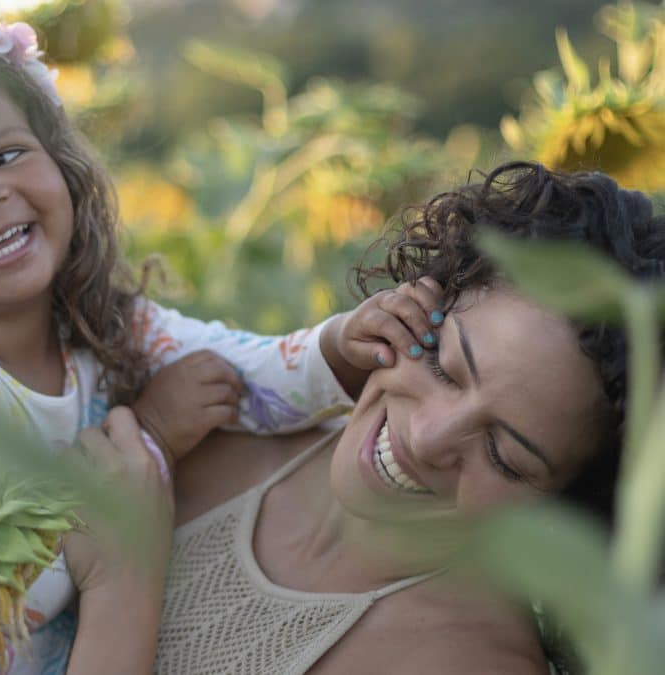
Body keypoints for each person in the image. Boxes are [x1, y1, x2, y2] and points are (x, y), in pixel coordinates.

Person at [0, 10, 441, 674]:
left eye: (5, 154)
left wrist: (344, 344)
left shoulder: (93, 318)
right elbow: (19, 581)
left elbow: (236, 368)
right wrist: (152, 435)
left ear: (62, 169)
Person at [69, 161, 665, 674]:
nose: (427, 437)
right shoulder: (209, 425)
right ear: (421, 297)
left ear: (570, 506)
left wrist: (121, 582)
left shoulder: (466, 662)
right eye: (442, 363)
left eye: (504, 457)